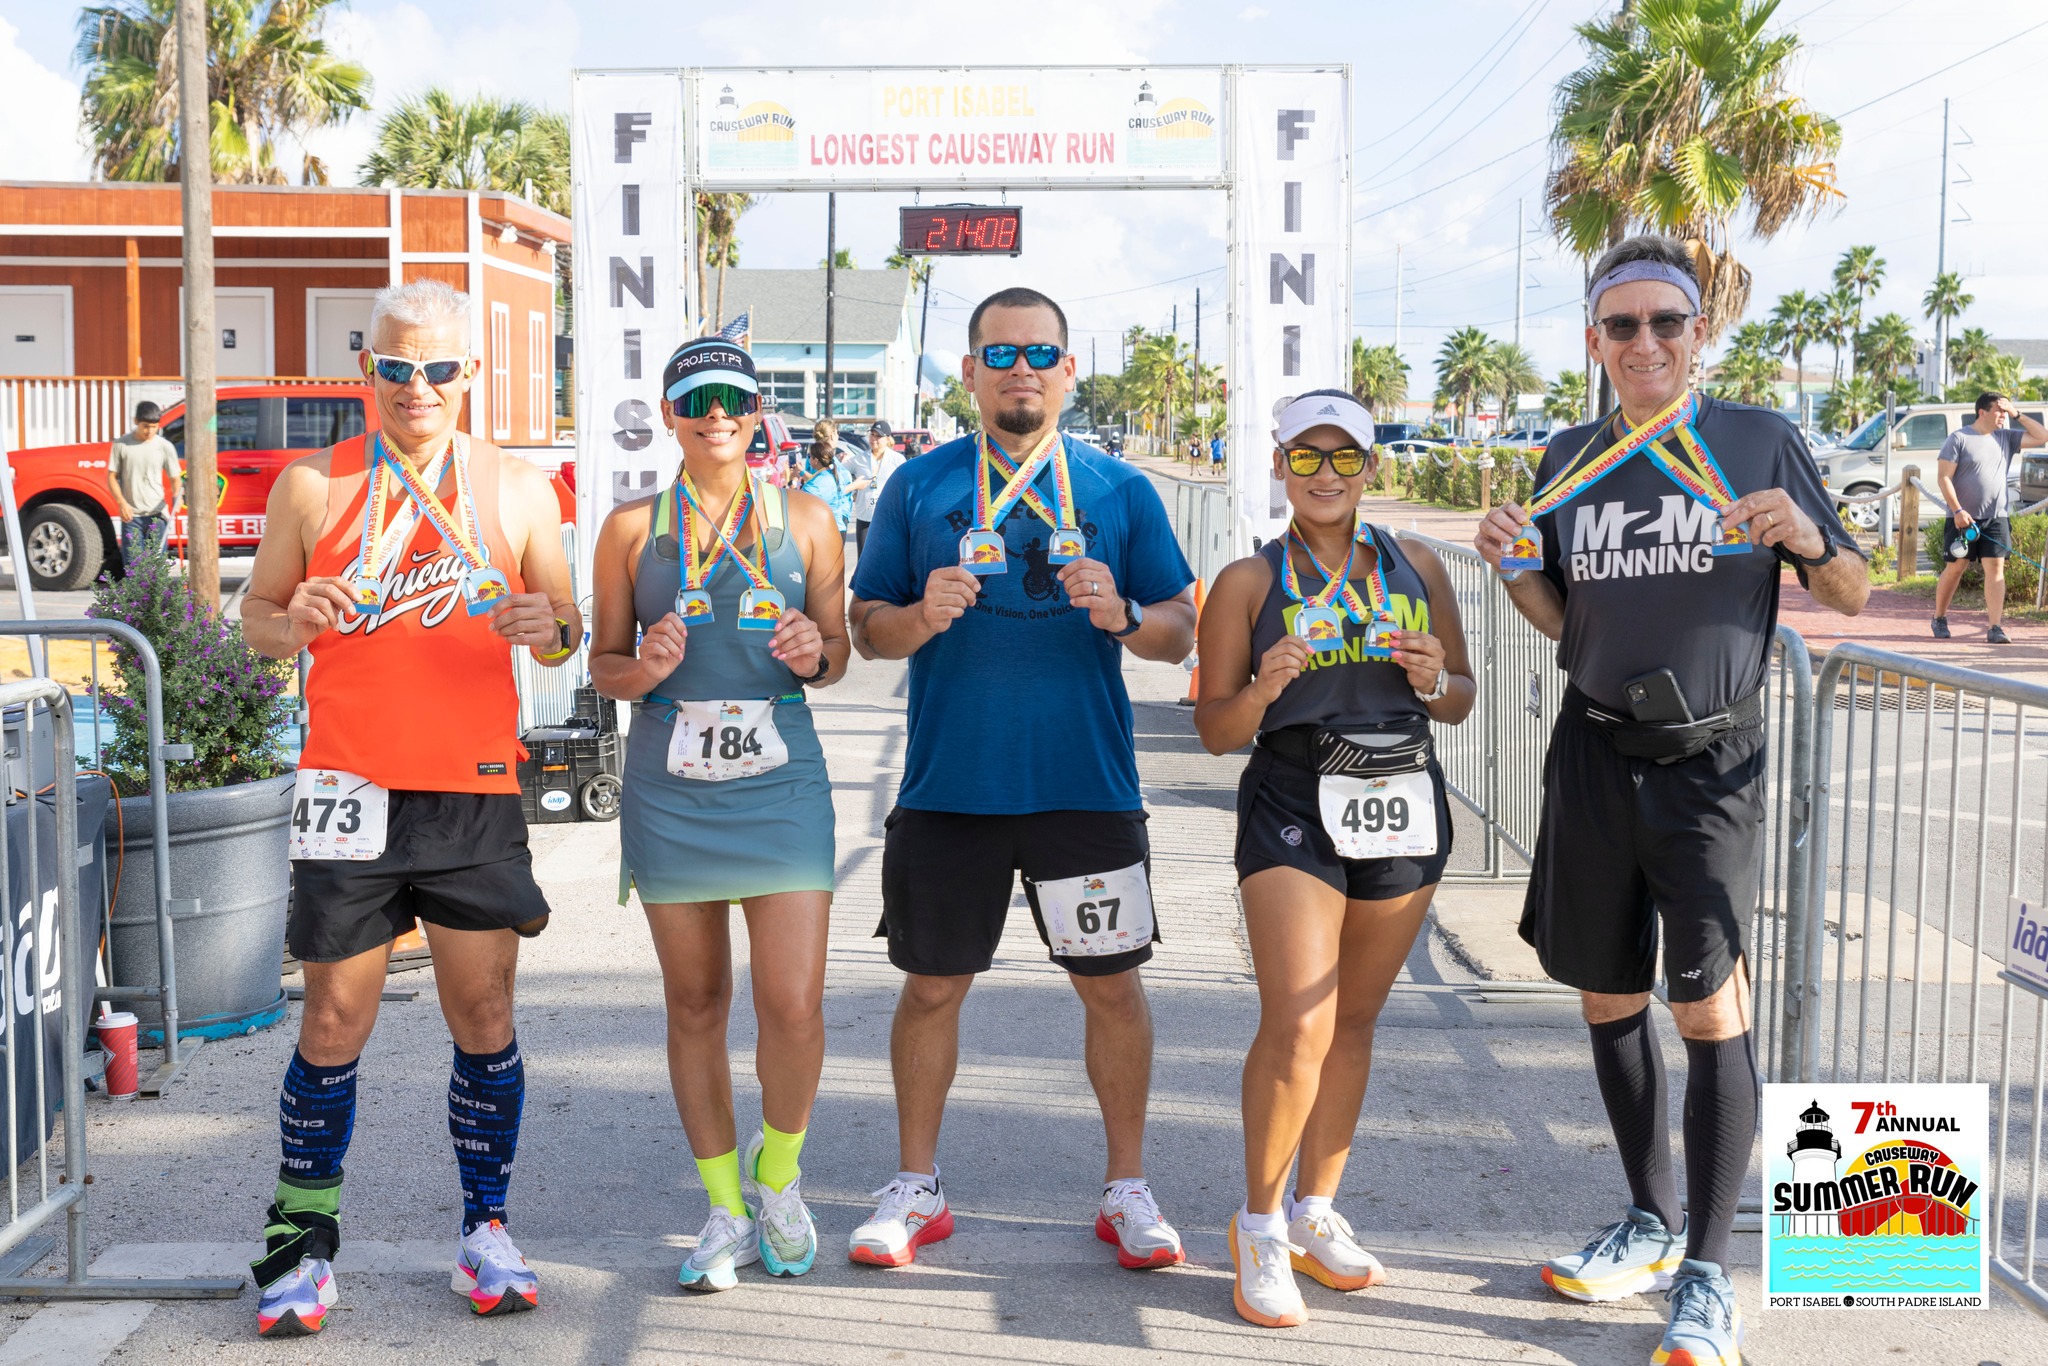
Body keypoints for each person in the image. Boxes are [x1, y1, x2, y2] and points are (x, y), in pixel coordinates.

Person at [1473, 235, 1866, 1366]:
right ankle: (1645, 1225)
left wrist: (1803, 536)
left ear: (1698, 334)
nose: (1643, 342)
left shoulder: (1754, 439)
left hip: (1709, 764)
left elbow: (1851, 586)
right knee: (1604, 995)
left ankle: (1704, 1273)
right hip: (1592, 751)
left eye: (1665, 323)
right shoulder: (1565, 455)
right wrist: (1508, 565)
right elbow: (1561, 618)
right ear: (1591, 340)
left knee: (1705, 1008)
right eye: (1619, 325)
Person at [240, 279, 581, 1336]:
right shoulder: (313, 485)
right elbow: (255, 620)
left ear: (468, 374)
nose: (418, 386)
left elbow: (567, 627)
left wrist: (549, 624)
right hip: (348, 785)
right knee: (333, 1016)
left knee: (481, 1015)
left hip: (471, 786)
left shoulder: (519, 490)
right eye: (397, 368)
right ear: (368, 374)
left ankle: (487, 1228)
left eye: (438, 368)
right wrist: (289, 613)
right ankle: (299, 1243)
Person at [846, 286, 1198, 1272]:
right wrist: (919, 615)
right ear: (967, 373)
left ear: (1067, 370)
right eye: (998, 355)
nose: (1019, 370)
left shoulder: (1118, 490)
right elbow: (864, 628)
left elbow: (1181, 629)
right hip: (950, 788)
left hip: (1083, 789)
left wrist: (1123, 613)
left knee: (1112, 991)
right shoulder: (918, 487)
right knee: (929, 989)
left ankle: (1125, 1187)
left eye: (1039, 353)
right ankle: (916, 1185)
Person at [1196, 389, 1474, 1328]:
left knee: (1352, 1019)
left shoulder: (1418, 561)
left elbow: (1461, 698)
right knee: (1298, 1023)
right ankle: (1261, 1224)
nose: (1323, 475)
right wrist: (1265, 686)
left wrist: (1436, 675)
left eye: (1342, 458)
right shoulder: (1246, 581)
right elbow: (1213, 730)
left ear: (1370, 467)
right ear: (1278, 466)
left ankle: (1317, 1211)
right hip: (1293, 797)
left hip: (1400, 791)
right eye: (1304, 458)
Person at [590, 337, 849, 1291]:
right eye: (696, 396)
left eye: (734, 397)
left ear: (756, 412)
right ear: (668, 413)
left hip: (780, 777)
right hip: (670, 778)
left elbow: (840, 656)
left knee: (794, 1002)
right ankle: (724, 1209)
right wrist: (643, 669)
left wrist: (810, 648)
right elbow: (603, 667)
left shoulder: (808, 519)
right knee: (696, 1002)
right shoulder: (628, 529)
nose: (716, 413)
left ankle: (777, 1178)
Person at [1931, 392, 2048, 643]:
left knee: (1996, 570)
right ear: (1982, 412)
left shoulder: (2006, 437)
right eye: (1999, 410)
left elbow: (2042, 436)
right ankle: (1939, 617)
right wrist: (1958, 510)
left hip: (1996, 517)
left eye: (2006, 412)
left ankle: (1995, 627)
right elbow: (1943, 478)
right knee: (1956, 568)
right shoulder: (1959, 438)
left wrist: (2017, 413)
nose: (2003, 415)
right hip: (1962, 518)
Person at [108, 400, 183, 561]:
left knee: (157, 566)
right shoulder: (121, 444)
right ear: (136, 421)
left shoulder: (165, 446)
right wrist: (122, 503)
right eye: (145, 426)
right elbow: (112, 477)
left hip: (157, 515)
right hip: (131, 516)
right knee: (133, 568)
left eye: (154, 426)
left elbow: (175, 477)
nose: (150, 431)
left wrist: (177, 495)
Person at [799, 419, 864, 538]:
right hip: (833, 519)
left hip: (832, 517)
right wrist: (856, 485)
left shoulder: (822, 459)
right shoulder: (819, 462)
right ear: (833, 435)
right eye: (837, 432)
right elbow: (834, 488)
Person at [853, 420, 900, 556]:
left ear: (887, 439)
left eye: (878, 436)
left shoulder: (897, 459)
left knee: (886, 558)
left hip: (887, 518)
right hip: (865, 517)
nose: (874, 439)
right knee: (863, 558)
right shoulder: (859, 458)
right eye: (872, 435)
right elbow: (841, 472)